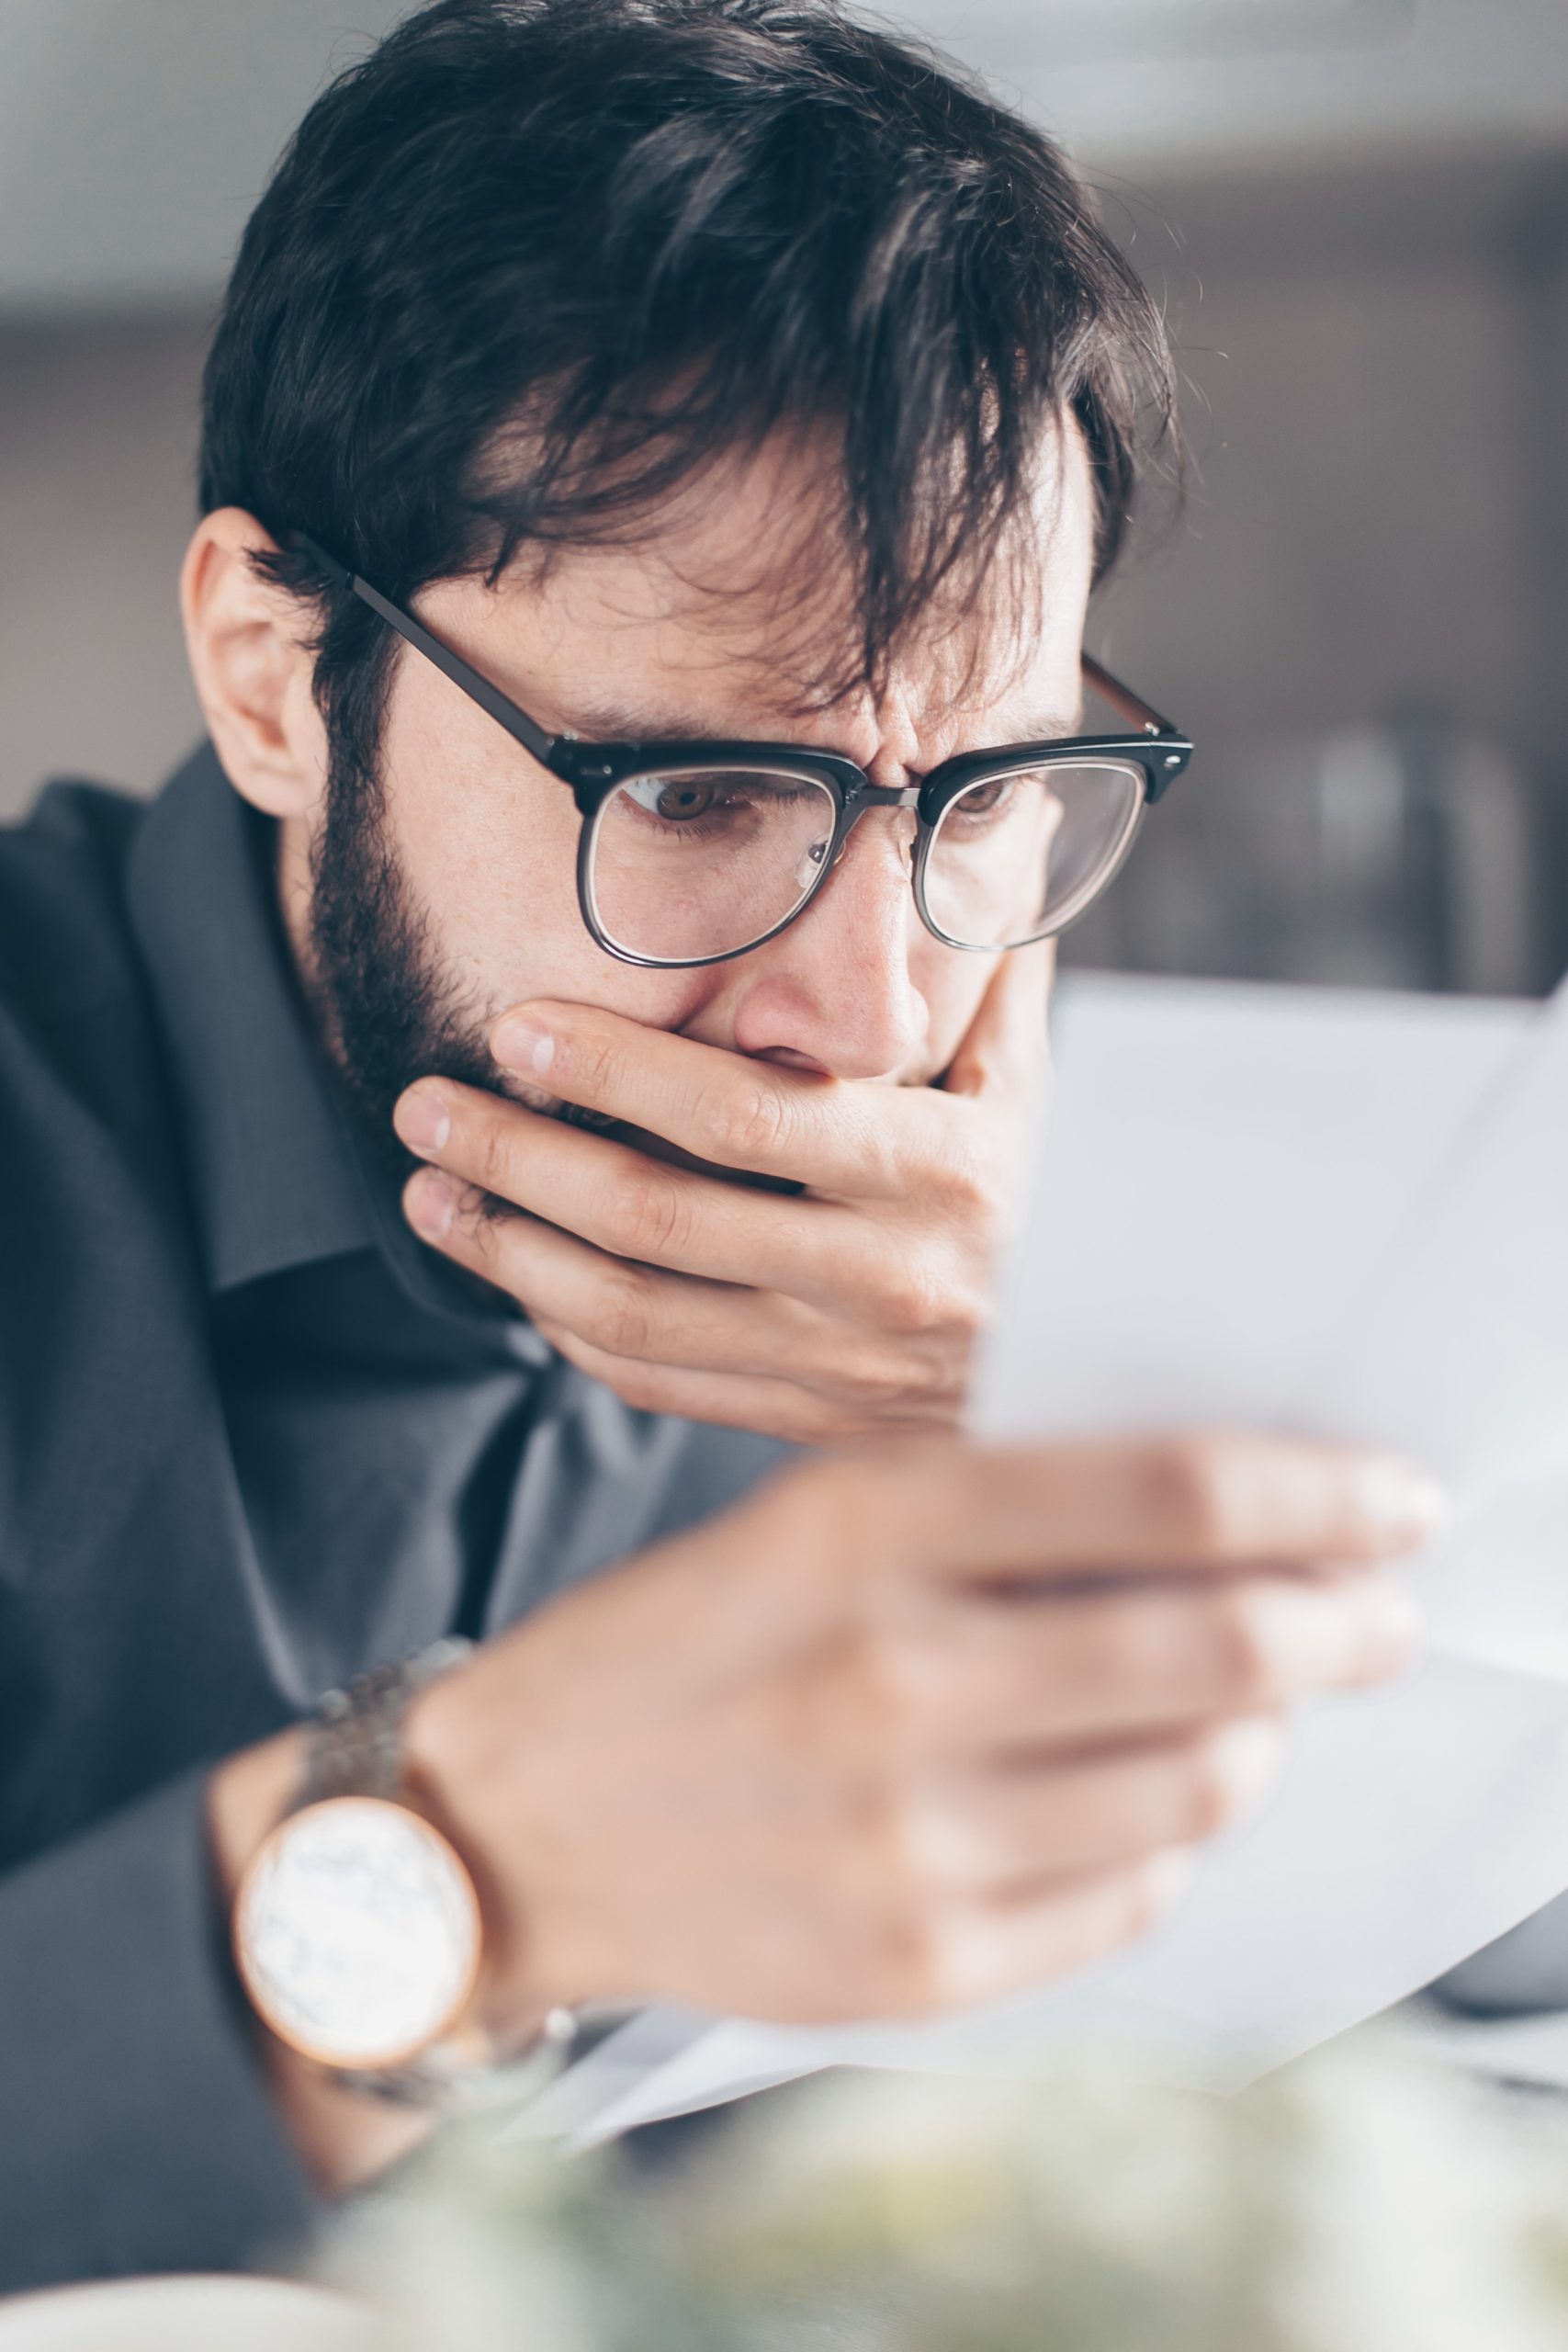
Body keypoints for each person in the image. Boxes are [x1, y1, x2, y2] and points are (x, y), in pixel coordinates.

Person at [0, 0, 1439, 2294]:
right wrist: (469, 1854)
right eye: (690, 796)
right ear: (275, 675)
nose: (864, 1018)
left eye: (979, 802)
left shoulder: (1038, 1271)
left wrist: (1119, 1371)